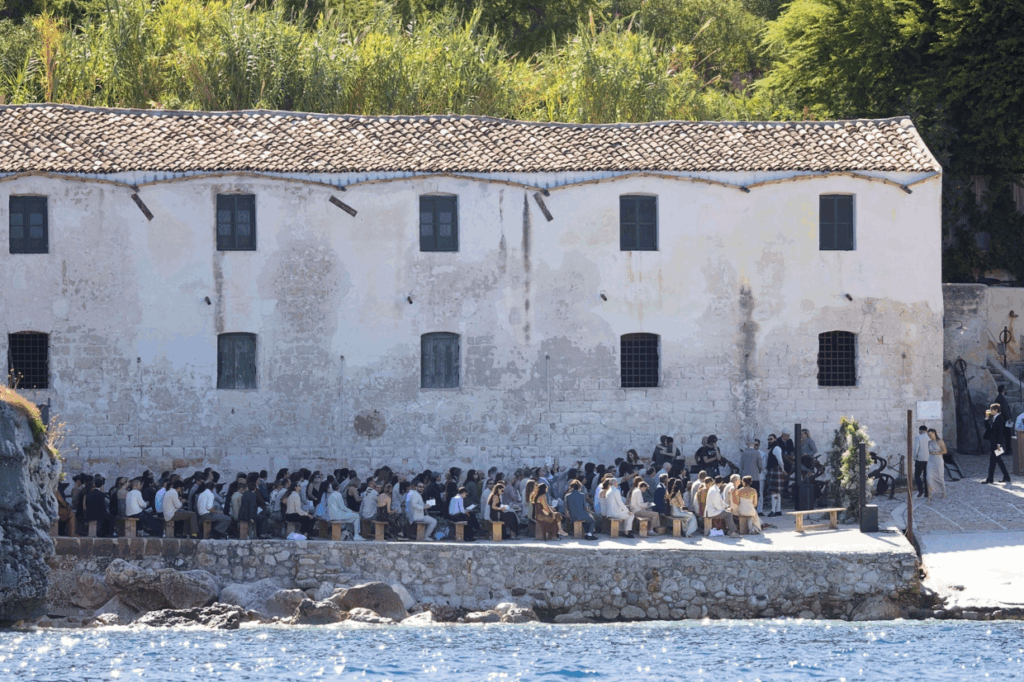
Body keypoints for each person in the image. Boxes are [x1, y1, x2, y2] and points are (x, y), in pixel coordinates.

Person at [983, 403, 1012, 484]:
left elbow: (1000, 433)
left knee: (993, 461)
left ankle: (990, 479)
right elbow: (988, 429)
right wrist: (986, 418)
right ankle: (1006, 477)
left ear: (996, 410)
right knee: (998, 460)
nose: (990, 411)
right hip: (994, 443)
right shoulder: (994, 418)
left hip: (997, 444)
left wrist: (999, 444)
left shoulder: (999, 419)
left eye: (991, 410)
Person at [765, 436, 786, 517]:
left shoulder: (776, 448)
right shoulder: (773, 448)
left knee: (774, 491)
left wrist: (783, 469)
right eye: (768, 439)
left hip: (776, 469)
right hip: (774, 470)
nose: (769, 441)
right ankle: (778, 510)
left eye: (771, 439)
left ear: (775, 439)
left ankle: (773, 510)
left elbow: (780, 460)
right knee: (776, 491)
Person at [740, 442, 763, 515]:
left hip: (745, 476)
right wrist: (759, 471)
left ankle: (746, 509)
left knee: (745, 493)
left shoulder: (744, 453)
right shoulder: (757, 453)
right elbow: (760, 465)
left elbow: (742, 465)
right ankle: (754, 510)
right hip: (755, 476)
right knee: (755, 493)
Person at [926, 429, 947, 500]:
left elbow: (945, 451)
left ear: (934, 433)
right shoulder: (929, 442)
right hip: (931, 460)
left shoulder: (940, 441)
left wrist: (936, 453)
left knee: (940, 477)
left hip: (938, 460)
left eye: (931, 434)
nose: (930, 436)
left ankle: (943, 492)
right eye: (928, 435)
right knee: (929, 477)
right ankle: (930, 495)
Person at [912, 425, 930, 496]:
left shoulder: (918, 437)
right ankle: (927, 492)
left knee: (917, 476)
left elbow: (916, 448)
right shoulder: (930, 437)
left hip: (920, 459)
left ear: (920, 430)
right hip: (928, 459)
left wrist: (914, 457)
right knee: (926, 476)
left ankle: (920, 490)